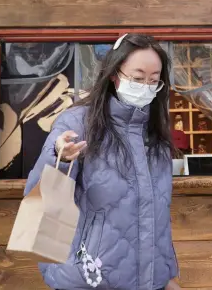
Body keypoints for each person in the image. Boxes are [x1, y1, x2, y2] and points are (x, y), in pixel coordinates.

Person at [24, 34, 181, 290]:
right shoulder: (79, 122)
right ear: (113, 74)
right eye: (137, 78)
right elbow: (39, 201)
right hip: (87, 281)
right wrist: (59, 158)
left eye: (154, 80)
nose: (145, 87)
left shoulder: (155, 135)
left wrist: (163, 275)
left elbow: (155, 217)